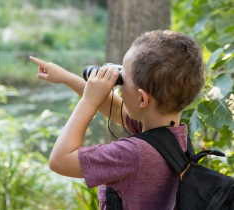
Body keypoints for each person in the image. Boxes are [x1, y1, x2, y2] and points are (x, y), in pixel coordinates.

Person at [29, 30, 205, 210]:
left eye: (122, 79)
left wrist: (89, 101)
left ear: (142, 99)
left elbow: (59, 161)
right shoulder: (170, 137)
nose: (118, 85)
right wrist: (66, 77)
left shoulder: (133, 155)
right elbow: (116, 108)